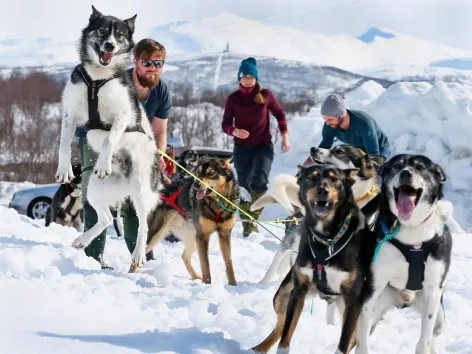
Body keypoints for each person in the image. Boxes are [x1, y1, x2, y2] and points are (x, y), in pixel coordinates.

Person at [75, 39, 172, 269]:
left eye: (158, 63)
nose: (153, 67)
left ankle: (141, 261)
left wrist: (160, 156)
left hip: (132, 145)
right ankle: (92, 258)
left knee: (134, 199)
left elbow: (159, 130)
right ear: (136, 61)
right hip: (97, 137)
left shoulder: (161, 90)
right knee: (95, 189)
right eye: (147, 62)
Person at [222, 57, 290, 237]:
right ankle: (247, 225)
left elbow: (280, 114)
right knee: (244, 187)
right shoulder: (233, 99)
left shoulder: (266, 95)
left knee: (259, 182)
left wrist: (285, 137)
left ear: (256, 78)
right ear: (240, 78)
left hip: (263, 147)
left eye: (252, 77)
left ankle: (252, 219)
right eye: (245, 77)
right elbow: (225, 124)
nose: (249, 80)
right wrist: (234, 131)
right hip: (242, 149)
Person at [318, 94, 391, 158]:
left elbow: (373, 154)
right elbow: (325, 145)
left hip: (379, 149)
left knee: (379, 170)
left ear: (341, 115)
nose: (327, 123)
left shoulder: (364, 123)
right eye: (325, 119)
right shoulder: (330, 125)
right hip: (357, 149)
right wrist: (311, 162)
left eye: (330, 119)